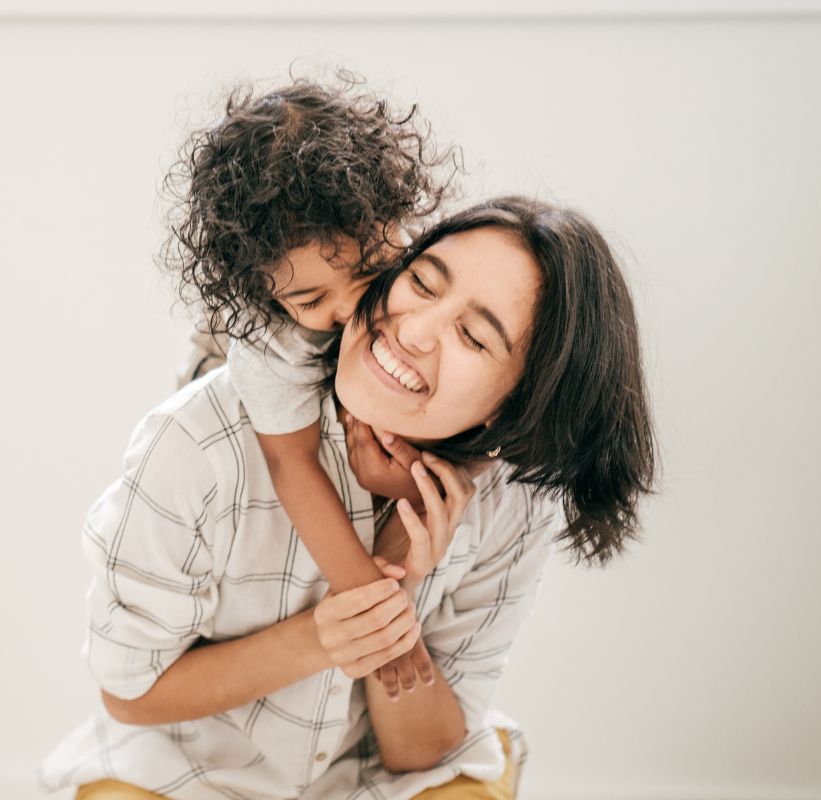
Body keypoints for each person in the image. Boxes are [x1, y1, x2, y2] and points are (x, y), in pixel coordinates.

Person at [40, 197, 656, 799]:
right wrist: (322, 637)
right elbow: (130, 693)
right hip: (183, 771)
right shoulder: (200, 442)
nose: (412, 330)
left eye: (472, 336)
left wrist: (403, 570)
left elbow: (422, 753)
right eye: (422, 282)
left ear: (515, 408)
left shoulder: (513, 507)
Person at [163, 76, 457, 697]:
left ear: (397, 218)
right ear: (267, 293)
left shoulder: (434, 272)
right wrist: (372, 605)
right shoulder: (271, 338)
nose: (353, 309)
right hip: (220, 364)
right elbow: (290, 463)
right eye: (311, 298)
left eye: (372, 273)